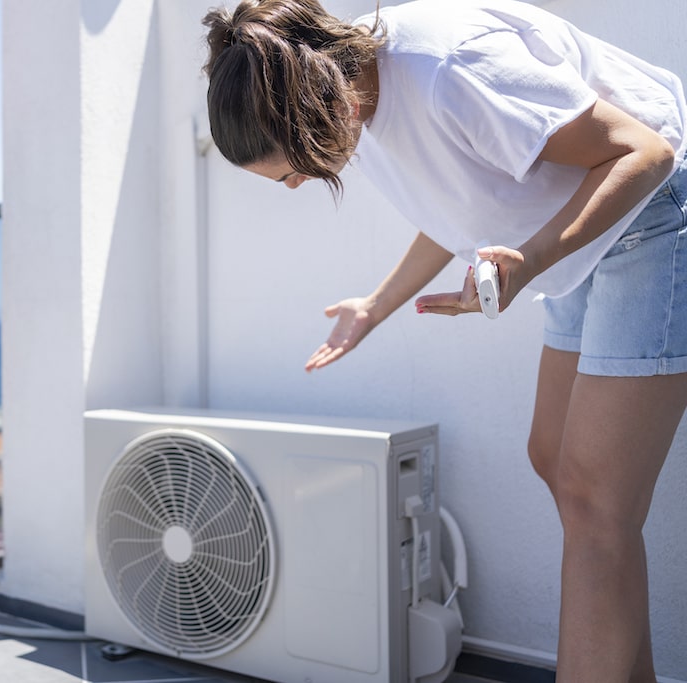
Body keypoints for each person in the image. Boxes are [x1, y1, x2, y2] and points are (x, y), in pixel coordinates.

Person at [201, 1, 687, 682]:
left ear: (317, 108)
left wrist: (530, 259)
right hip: (589, 232)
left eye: (292, 171)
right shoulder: (352, 91)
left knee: (596, 496)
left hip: (652, 209)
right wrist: (375, 306)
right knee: (555, 458)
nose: (299, 184)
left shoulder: (449, 69)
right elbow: (456, 197)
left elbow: (646, 151)